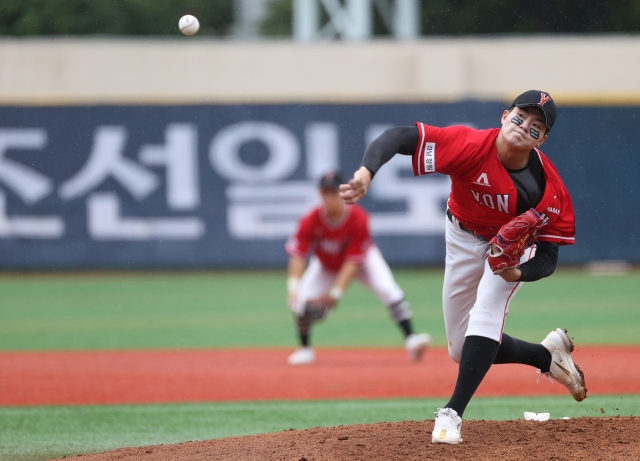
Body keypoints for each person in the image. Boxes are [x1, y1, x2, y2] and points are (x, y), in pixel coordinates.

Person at [339, 90, 586, 444]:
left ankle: (452, 413)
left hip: (510, 252)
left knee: (486, 313)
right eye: (519, 117)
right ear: (504, 116)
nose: (523, 127)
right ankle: (545, 356)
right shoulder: (468, 145)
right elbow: (399, 137)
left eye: (535, 127)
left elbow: (549, 255)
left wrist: (517, 273)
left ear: (542, 140)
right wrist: (367, 171)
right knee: (460, 349)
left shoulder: (549, 190)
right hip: (461, 237)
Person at [285, 170, 431, 366]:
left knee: (388, 289)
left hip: (363, 261)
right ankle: (305, 349)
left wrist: (335, 294)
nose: (329, 196)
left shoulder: (358, 218)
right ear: (319, 193)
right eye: (325, 192)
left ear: (342, 192)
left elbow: (352, 262)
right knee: (299, 302)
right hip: (326, 264)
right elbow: (298, 256)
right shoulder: (310, 219)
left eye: (333, 191)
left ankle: (411, 339)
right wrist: (293, 288)